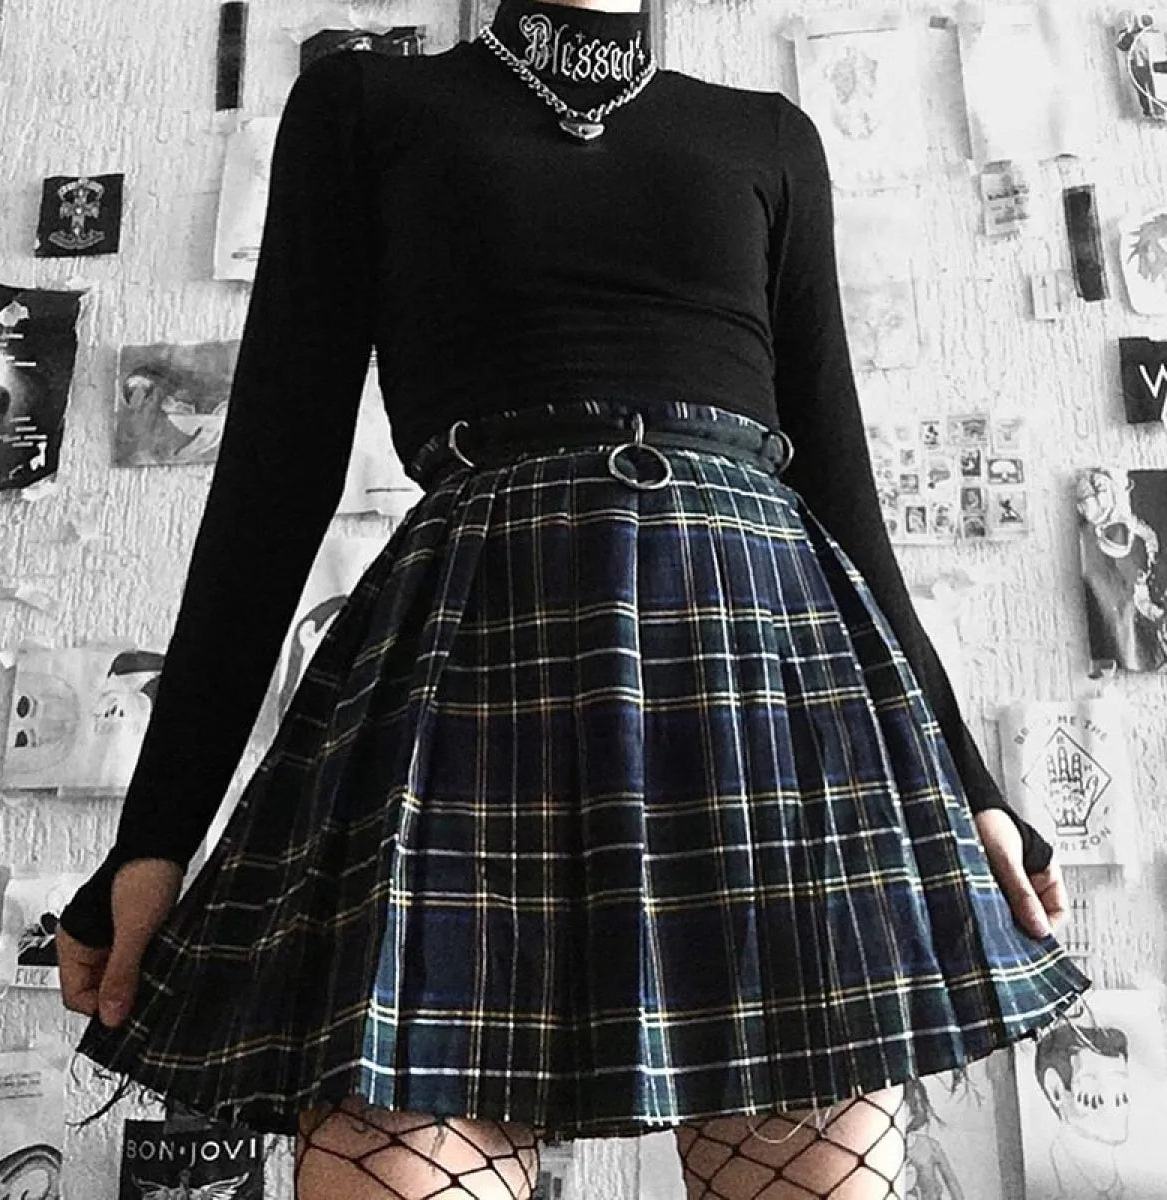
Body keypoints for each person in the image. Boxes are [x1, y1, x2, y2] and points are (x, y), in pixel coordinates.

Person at [54, 1, 1092, 1197]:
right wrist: (156, 834)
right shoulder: (365, 105)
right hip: (477, 667)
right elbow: (271, 483)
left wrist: (974, 789)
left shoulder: (770, 137)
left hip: (758, 673)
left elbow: (845, 498)